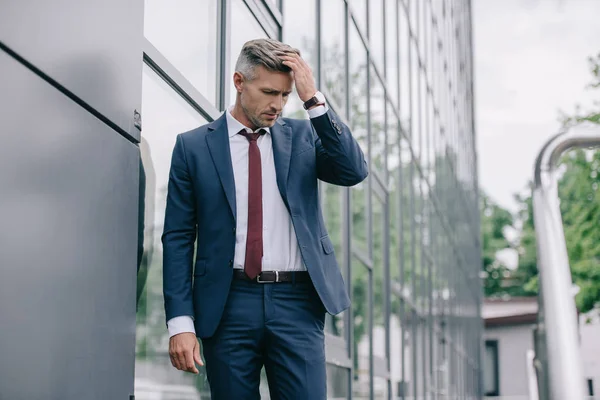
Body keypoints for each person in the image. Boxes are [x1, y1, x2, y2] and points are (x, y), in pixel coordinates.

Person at [162, 38, 368, 399]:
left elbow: (353, 170)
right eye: (270, 92)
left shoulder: (303, 136)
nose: (278, 104)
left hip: (297, 302)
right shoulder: (193, 147)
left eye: (286, 95)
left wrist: (312, 99)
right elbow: (178, 238)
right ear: (239, 82)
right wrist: (180, 322)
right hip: (226, 304)